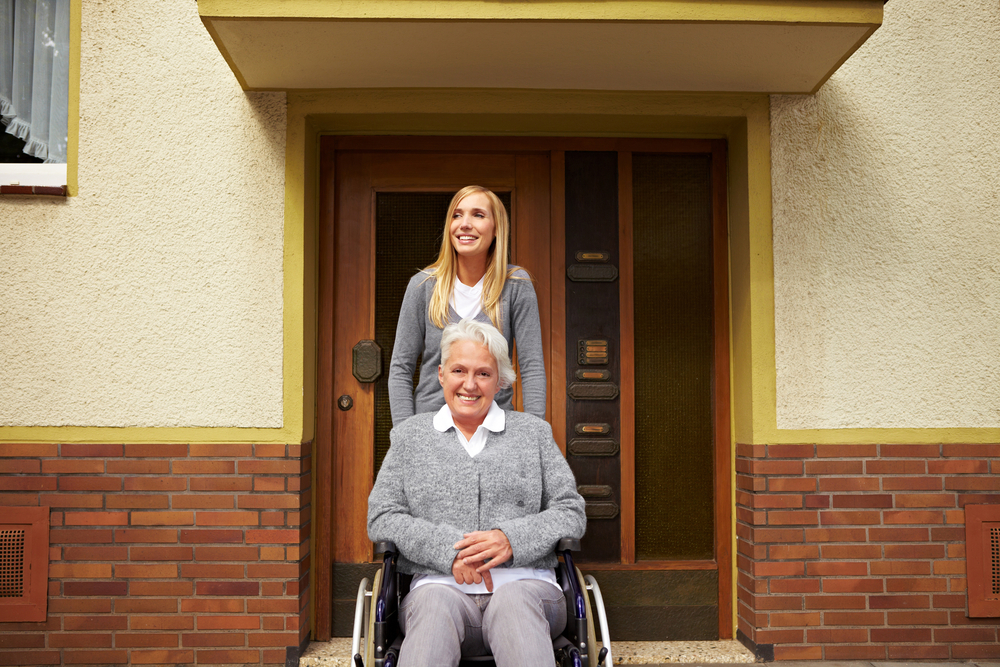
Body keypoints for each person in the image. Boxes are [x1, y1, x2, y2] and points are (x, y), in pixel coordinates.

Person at [368, 319, 585, 666]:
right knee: (436, 605)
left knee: (512, 601)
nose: (469, 384)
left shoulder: (533, 435)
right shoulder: (411, 438)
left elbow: (571, 511)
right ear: (441, 375)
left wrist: (511, 539)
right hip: (438, 591)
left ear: (499, 381)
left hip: (529, 592)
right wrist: (449, 551)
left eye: (483, 374)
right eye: (458, 370)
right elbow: (382, 516)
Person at [388, 185, 546, 427]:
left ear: (496, 229)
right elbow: (401, 368)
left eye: (478, 215)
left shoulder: (515, 286)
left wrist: (534, 438)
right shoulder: (423, 286)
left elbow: (532, 367)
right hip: (431, 431)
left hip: (493, 431)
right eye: (457, 215)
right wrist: (405, 437)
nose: (464, 224)